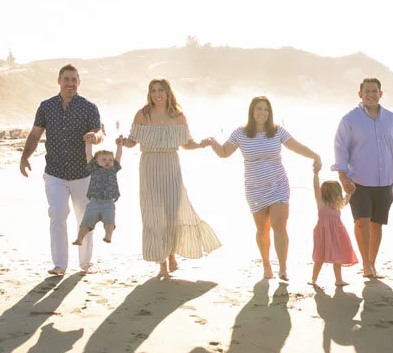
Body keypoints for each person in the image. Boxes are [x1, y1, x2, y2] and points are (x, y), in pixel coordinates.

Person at [203, 95, 321, 281]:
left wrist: (315, 155)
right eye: (259, 109)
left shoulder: (277, 131)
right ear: (252, 111)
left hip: (278, 185)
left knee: (279, 227)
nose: (263, 113)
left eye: (266, 109)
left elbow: (295, 146)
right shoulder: (240, 133)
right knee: (262, 229)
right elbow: (224, 153)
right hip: (255, 188)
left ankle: (282, 267)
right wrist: (213, 143)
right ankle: (266, 264)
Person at [123, 78, 220, 277]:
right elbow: (133, 141)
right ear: (149, 94)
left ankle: (172, 253)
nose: (157, 94)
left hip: (171, 165)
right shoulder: (143, 114)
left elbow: (186, 143)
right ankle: (162, 263)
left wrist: (203, 144)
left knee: (172, 213)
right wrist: (123, 142)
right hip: (149, 166)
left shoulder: (178, 116)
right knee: (154, 214)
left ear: (168, 93)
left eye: (161, 90)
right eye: (153, 91)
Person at [20, 63, 103, 275]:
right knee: (57, 214)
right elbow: (35, 134)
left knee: (84, 217)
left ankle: (86, 263)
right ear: (59, 81)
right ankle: (59, 264)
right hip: (55, 172)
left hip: (82, 173)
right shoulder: (46, 106)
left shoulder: (88, 107)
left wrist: (95, 136)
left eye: (74, 80)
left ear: (79, 83)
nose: (70, 84)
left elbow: (99, 132)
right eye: (66, 79)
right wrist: (24, 157)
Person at [332, 77, 393, 279]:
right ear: (360, 94)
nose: (371, 94)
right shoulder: (349, 120)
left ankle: (372, 261)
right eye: (367, 91)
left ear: (381, 94)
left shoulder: (391, 119)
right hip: (358, 180)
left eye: (374, 91)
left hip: (385, 180)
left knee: (377, 223)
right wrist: (343, 177)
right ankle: (366, 264)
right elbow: (340, 149)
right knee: (361, 221)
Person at [72, 135, 125, 247]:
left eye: (110, 160)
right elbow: (88, 154)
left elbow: (119, 156)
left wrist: (119, 146)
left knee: (110, 222)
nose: (108, 162)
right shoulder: (94, 168)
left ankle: (108, 235)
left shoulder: (113, 168)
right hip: (94, 202)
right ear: (96, 161)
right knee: (86, 223)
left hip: (108, 202)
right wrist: (88, 143)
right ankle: (80, 238)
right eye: (104, 159)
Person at [311, 165, 358, 287]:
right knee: (319, 256)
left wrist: (350, 188)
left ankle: (338, 280)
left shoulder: (338, 204)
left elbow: (348, 196)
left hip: (337, 233)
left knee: (337, 256)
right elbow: (316, 189)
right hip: (323, 233)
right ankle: (313, 279)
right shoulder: (321, 203)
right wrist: (316, 174)